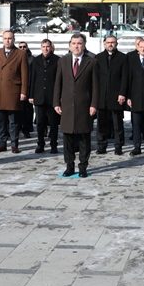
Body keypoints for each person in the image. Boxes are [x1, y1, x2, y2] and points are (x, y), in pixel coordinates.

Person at [53, 33, 98, 178]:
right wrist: (56, 102)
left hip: (84, 106)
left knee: (84, 138)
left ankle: (83, 166)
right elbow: (58, 83)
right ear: (69, 45)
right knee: (68, 139)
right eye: (74, 43)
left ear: (84, 45)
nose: (76, 46)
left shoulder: (91, 62)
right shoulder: (63, 61)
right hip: (66, 106)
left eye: (79, 43)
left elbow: (95, 86)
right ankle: (69, 166)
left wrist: (94, 104)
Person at [0, 30, 29, 154]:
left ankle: (14, 144)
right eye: (5, 38)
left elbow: (25, 75)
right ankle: (2, 143)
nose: (7, 40)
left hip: (13, 91)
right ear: (2, 39)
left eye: (10, 38)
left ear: (14, 39)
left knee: (14, 121)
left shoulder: (20, 54)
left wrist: (23, 92)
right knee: (1, 120)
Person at [94, 35, 128, 155]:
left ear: (116, 44)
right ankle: (101, 146)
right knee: (101, 123)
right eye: (108, 42)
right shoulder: (98, 58)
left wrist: (122, 93)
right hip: (102, 96)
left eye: (113, 42)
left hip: (116, 96)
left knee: (117, 123)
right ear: (104, 44)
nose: (110, 44)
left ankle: (118, 146)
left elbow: (125, 77)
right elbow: (95, 78)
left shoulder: (123, 58)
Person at [28, 38, 60, 154]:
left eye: (47, 46)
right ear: (41, 48)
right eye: (43, 47)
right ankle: (40, 144)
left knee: (53, 123)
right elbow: (32, 78)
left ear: (51, 47)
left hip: (52, 97)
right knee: (40, 123)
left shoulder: (57, 60)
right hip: (39, 96)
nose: (45, 49)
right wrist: (31, 95)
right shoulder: (35, 61)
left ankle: (53, 145)